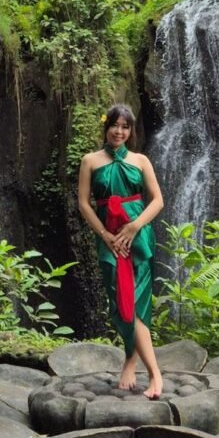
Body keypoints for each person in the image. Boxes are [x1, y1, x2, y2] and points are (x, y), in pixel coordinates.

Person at [77, 104, 165, 398]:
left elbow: (157, 201)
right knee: (120, 304)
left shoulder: (141, 161)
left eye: (125, 127)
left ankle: (154, 375)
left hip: (137, 239)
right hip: (109, 240)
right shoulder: (90, 161)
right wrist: (105, 235)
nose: (119, 131)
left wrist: (134, 227)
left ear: (131, 131)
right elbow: (84, 204)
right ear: (106, 128)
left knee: (136, 304)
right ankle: (131, 358)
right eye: (115, 125)